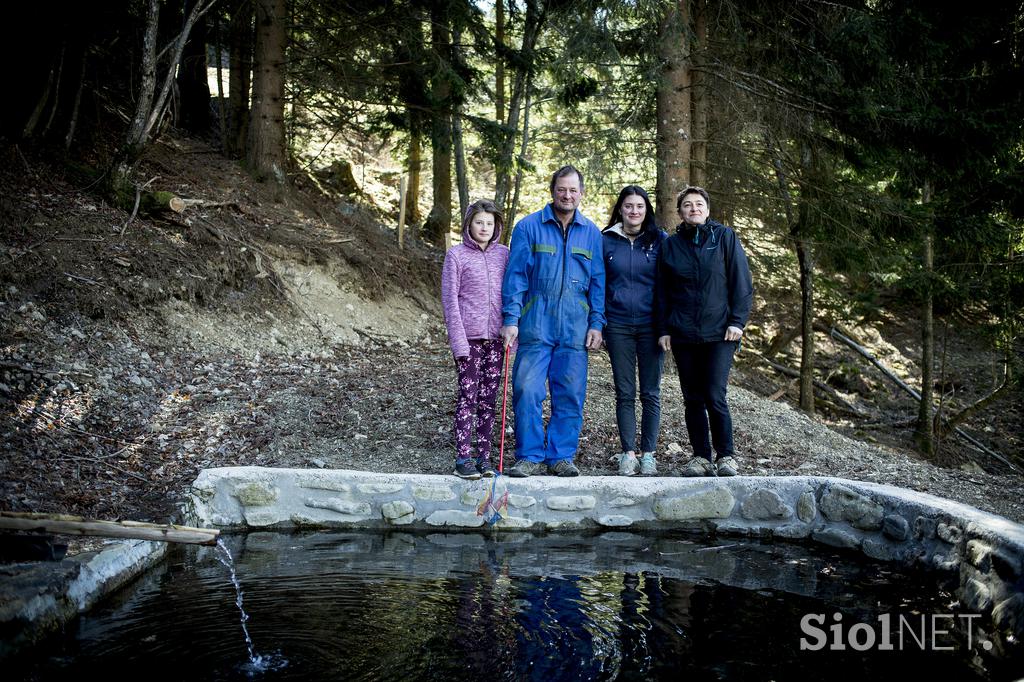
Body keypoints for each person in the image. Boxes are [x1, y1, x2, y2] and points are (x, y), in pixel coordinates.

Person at [500, 165, 605, 477]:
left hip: (575, 329)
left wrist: (597, 323)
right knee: (527, 391)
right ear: (552, 191)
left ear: (581, 193)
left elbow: (598, 281)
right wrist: (511, 317)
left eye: (573, 190)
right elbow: (515, 276)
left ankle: (560, 456)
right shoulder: (529, 227)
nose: (567, 195)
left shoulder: (591, 233)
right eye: (562, 189)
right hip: (536, 325)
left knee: (570, 394)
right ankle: (529, 456)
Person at [657, 186, 753, 477]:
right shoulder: (671, 246)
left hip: (720, 333)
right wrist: (664, 329)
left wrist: (738, 321)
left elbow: (742, 283)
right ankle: (700, 457)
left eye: (699, 204)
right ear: (680, 212)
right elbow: (662, 292)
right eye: (688, 205)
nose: (694, 209)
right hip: (683, 334)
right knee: (692, 398)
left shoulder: (724, 238)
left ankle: (726, 456)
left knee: (714, 394)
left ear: (708, 210)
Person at [601, 185, 668, 476]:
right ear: (621, 209)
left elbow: (670, 286)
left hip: (651, 327)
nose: (634, 211)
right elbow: (598, 284)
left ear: (646, 210)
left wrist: (666, 327)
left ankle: (649, 454)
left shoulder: (659, 240)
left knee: (650, 392)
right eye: (628, 206)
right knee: (625, 392)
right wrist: (599, 323)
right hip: (617, 326)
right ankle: (629, 452)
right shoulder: (606, 240)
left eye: (639, 206)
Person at [441, 199, 510, 479]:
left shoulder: (504, 255)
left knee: (488, 400)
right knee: (468, 397)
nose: (484, 227)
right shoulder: (456, 256)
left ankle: (484, 457)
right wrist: (458, 343)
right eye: (479, 222)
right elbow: (450, 302)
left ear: (497, 227)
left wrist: (510, 333)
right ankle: (463, 457)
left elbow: (513, 294)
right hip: (468, 339)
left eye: (489, 223)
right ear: (469, 224)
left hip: (496, 339)